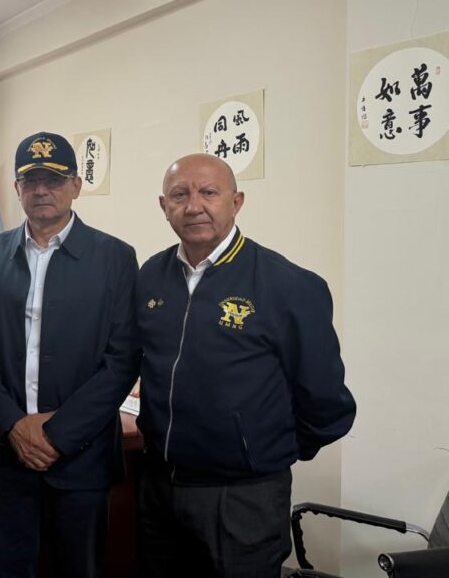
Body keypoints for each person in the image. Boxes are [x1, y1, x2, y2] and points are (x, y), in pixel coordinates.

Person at [136, 153, 356, 578]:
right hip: (159, 488)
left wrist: (260, 452)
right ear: (163, 206)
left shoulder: (288, 285)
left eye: (209, 193)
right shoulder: (151, 276)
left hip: (243, 497)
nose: (194, 206)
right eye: (179, 195)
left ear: (236, 202)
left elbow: (327, 405)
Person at [0, 131, 140, 578]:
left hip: (82, 457)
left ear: (76, 186)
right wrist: (13, 424)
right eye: (31, 181)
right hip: (7, 456)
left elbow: (123, 359)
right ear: (17, 189)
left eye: (54, 179)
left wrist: (58, 433)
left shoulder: (115, 258)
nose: (41, 190)